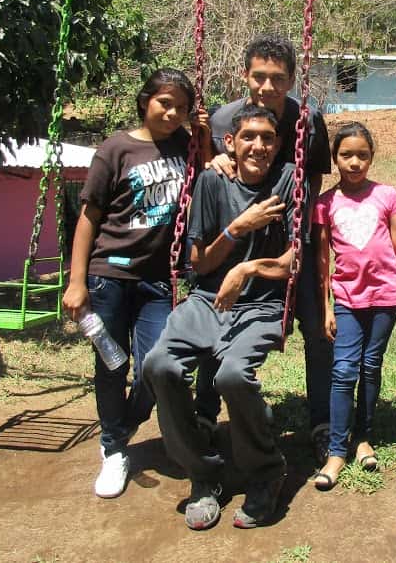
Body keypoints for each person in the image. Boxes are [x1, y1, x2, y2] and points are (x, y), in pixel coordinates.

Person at [143, 105, 295, 531]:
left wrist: (246, 268)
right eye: (248, 137)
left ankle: (266, 471)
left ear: (278, 144)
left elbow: (292, 261)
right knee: (158, 366)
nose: (258, 146)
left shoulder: (288, 181)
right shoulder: (211, 181)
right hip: (206, 299)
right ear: (230, 141)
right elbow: (197, 263)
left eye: (268, 138)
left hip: (262, 304)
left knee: (231, 376)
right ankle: (204, 474)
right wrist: (238, 228)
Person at [62, 68, 207, 499]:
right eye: (165, 103)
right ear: (145, 100)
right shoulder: (116, 148)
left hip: (158, 280)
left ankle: (123, 426)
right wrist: (76, 282)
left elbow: (209, 181)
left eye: (181, 107)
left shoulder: (186, 145)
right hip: (109, 275)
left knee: (156, 363)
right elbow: (88, 218)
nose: (173, 112)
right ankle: (114, 451)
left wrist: (202, 137)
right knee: (112, 364)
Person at [201, 34, 333, 463]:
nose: (267, 87)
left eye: (278, 79)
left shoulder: (307, 121)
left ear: (292, 80)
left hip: (294, 238)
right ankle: (205, 417)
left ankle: (322, 422)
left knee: (317, 330)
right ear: (245, 75)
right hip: (236, 238)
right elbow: (207, 172)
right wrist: (212, 160)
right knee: (213, 314)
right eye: (259, 77)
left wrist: (299, 223)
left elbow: (313, 176)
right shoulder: (224, 119)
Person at [311, 122, 396, 490]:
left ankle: (364, 438)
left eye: (362, 155)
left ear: (372, 157)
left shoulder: (387, 196)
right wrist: (326, 307)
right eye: (346, 155)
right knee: (344, 370)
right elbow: (322, 259)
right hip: (346, 298)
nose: (354, 162)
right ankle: (337, 451)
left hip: (385, 296)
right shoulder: (326, 203)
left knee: (370, 366)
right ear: (335, 158)